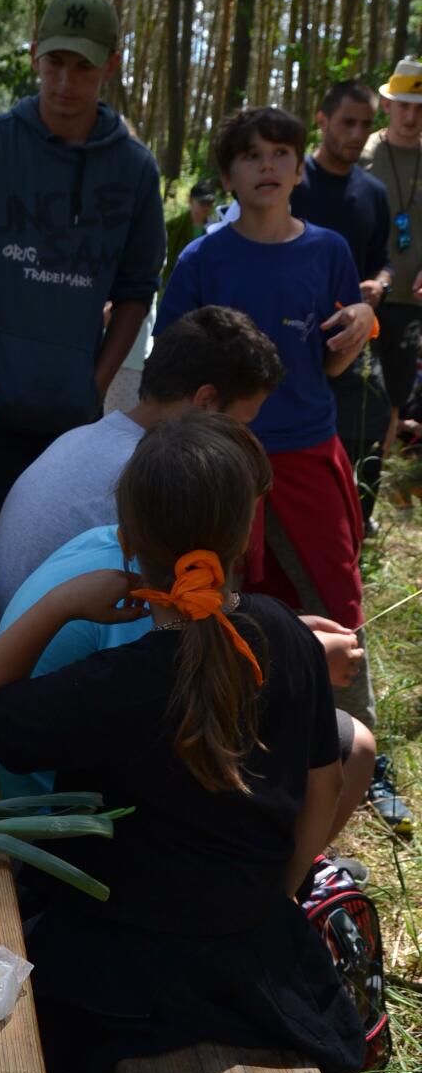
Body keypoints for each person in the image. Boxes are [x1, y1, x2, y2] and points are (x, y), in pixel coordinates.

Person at [0, 414, 367, 1073]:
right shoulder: (290, 641)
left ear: (127, 540)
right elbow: (321, 794)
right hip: (252, 957)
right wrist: (272, 904)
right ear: (242, 537)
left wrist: (59, 603)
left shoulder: (113, 684)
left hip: (124, 968)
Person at [0, 0, 166, 618]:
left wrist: (97, 380)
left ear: (111, 65)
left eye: (83, 66)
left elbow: (138, 288)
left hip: (72, 416)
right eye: (55, 62)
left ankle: (32, 690)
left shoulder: (134, 169)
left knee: (60, 559)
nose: (65, 81)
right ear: (34, 57)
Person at [155, 105, 378, 725]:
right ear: (228, 175)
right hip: (225, 459)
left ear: (299, 166)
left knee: (333, 592)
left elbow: (333, 362)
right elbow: (173, 362)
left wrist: (363, 319)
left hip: (308, 450)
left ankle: (353, 733)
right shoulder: (204, 260)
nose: (268, 166)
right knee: (230, 598)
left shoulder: (327, 250)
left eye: (281, 152)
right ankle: (240, 727)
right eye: (251, 156)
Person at [0, 305, 285, 640]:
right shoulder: (165, 481)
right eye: (241, 423)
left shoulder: (85, 436)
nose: (244, 439)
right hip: (46, 680)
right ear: (205, 401)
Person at [291, 80, 392, 537]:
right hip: (289, 336)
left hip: (350, 345)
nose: (357, 133)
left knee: (366, 424)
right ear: (322, 120)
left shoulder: (373, 193)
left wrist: (380, 286)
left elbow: (381, 260)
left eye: (366, 125)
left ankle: (353, 522)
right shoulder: (292, 183)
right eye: (347, 122)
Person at [361, 57, 422, 448]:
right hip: (362, 299)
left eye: (419, 108)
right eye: (403, 105)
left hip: (410, 303)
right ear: (387, 105)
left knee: (394, 401)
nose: (411, 116)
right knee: (359, 398)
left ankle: (368, 497)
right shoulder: (363, 155)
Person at [163, 178, 218, 280]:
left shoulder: (216, 230)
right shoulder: (173, 227)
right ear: (190, 201)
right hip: (175, 281)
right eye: (202, 203)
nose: (206, 207)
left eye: (209, 203)